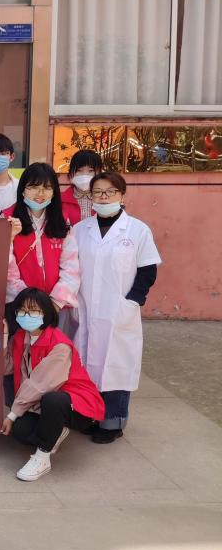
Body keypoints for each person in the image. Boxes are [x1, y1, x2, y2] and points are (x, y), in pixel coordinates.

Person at [72, 172, 161, 443]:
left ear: (122, 195)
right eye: (97, 192)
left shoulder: (137, 230)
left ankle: (113, 422)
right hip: (86, 309)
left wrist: (133, 300)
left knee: (117, 365)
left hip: (119, 311)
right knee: (87, 364)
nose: (103, 197)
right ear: (90, 197)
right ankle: (89, 415)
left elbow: (147, 270)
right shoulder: (80, 230)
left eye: (110, 192)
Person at [1, 287, 105, 481]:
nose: (26, 315)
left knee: (53, 400)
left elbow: (41, 384)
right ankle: (56, 431)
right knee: (20, 431)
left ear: (46, 313)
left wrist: (13, 413)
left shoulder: (59, 344)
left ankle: (42, 457)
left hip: (75, 404)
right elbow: (6, 368)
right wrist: (4, 336)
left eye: (33, 311)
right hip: (42, 402)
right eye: (22, 310)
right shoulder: (21, 337)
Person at [5, 162, 81, 330]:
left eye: (46, 188)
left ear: (54, 192)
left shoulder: (62, 221)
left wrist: (53, 304)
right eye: (33, 187)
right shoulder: (8, 219)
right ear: (23, 189)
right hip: (20, 307)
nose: (40, 193)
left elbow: (71, 268)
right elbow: (7, 267)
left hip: (55, 309)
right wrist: (29, 304)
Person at [60, 149, 103, 226]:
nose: (84, 175)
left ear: (99, 173)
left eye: (91, 170)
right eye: (79, 170)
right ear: (70, 173)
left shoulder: (105, 198)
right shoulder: (59, 200)